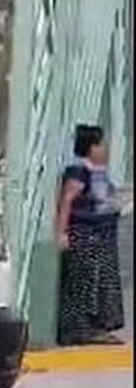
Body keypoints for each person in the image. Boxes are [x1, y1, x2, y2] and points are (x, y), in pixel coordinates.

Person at [55, 124, 125, 346]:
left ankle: (97, 327)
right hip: (86, 236)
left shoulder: (98, 173)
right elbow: (66, 201)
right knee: (84, 283)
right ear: (91, 147)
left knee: (101, 282)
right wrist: (61, 233)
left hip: (102, 236)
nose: (105, 149)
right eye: (101, 144)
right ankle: (78, 330)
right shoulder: (79, 171)